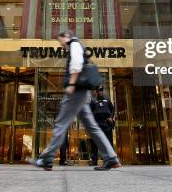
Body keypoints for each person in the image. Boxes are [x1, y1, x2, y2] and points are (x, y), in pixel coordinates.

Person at [29, 30, 121, 171]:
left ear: (67, 37)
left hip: (75, 92)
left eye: (61, 41)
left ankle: (46, 159)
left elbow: (77, 64)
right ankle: (111, 158)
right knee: (92, 127)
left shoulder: (74, 44)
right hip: (81, 93)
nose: (61, 44)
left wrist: (71, 84)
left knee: (61, 124)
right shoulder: (76, 45)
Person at [89, 87, 115, 166]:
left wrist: (111, 117)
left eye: (101, 91)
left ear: (102, 92)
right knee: (94, 142)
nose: (99, 92)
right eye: (98, 91)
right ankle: (94, 160)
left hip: (106, 123)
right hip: (97, 124)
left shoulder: (107, 101)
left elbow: (113, 110)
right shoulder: (93, 102)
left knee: (108, 142)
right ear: (96, 92)